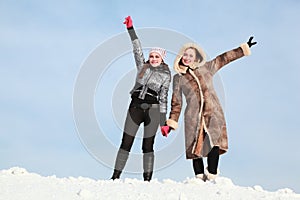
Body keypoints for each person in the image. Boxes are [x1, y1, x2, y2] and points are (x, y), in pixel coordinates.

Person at [161, 37, 257, 181]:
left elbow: (223, 58)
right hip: (193, 116)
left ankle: (212, 175)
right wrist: (171, 123)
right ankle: (199, 180)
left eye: (191, 55)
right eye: (185, 55)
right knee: (195, 148)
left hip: (213, 112)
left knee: (215, 143)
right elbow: (176, 103)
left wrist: (242, 49)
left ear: (197, 57)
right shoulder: (178, 78)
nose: (187, 58)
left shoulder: (206, 68)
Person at [111, 16, 171, 181]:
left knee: (147, 146)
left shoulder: (166, 75)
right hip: (135, 107)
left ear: (162, 59)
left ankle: (147, 181)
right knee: (126, 142)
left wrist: (163, 122)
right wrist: (131, 30)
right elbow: (137, 49)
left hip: (153, 111)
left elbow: (164, 97)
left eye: (156, 57)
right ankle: (115, 177)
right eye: (151, 56)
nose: (153, 59)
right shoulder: (142, 67)